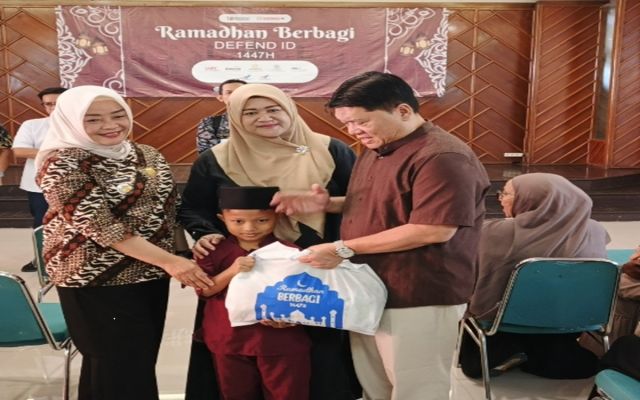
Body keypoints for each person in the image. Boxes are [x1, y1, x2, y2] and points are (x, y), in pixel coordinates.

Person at [272, 71, 491, 400]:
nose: (353, 131)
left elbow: (433, 228)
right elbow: (388, 204)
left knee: (416, 389)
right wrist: (328, 204)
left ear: (402, 111)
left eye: (361, 122)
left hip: (418, 293)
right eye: (347, 124)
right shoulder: (380, 147)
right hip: (372, 287)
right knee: (376, 385)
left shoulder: (442, 156)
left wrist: (341, 248)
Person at [179, 83, 359, 400]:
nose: (264, 117)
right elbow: (194, 207)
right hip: (244, 270)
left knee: (317, 357)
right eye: (250, 112)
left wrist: (328, 211)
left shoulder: (331, 150)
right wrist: (205, 232)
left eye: (273, 109)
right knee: (238, 363)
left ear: (289, 109)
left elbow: (363, 201)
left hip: (317, 267)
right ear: (235, 117)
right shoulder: (216, 159)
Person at [35, 85, 214, 400]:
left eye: (118, 115)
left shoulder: (147, 154)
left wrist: (182, 253)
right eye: (93, 119)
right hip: (93, 278)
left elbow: (169, 209)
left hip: (150, 272)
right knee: (114, 362)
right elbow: (101, 226)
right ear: (71, 120)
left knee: (137, 360)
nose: (110, 125)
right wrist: (172, 262)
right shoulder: (62, 162)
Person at [459, 173, 610, 379]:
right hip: (572, 319)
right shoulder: (595, 230)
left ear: (531, 198)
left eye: (507, 194)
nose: (501, 199)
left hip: (506, 321)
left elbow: (472, 278)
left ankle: (513, 351)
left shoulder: (495, 232)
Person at [197, 185, 311, 400]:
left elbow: (304, 296)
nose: (250, 228)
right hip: (228, 338)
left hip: (280, 338)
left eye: (262, 220)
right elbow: (204, 290)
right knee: (235, 394)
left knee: (288, 394)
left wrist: (291, 318)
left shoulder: (291, 252)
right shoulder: (212, 251)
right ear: (222, 219)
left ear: (277, 217)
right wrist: (231, 271)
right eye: (238, 221)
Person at [12, 87, 67, 272]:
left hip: (80, 184)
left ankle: (71, 258)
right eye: (48, 104)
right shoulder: (33, 125)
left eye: (58, 104)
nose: (53, 108)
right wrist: (59, 154)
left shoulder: (85, 124)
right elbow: (19, 150)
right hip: (39, 186)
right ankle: (41, 260)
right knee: (42, 224)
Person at [196, 79, 246, 154]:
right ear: (220, 98)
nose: (235, 95)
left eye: (240, 91)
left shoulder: (262, 120)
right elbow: (206, 153)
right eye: (229, 92)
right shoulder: (209, 122)